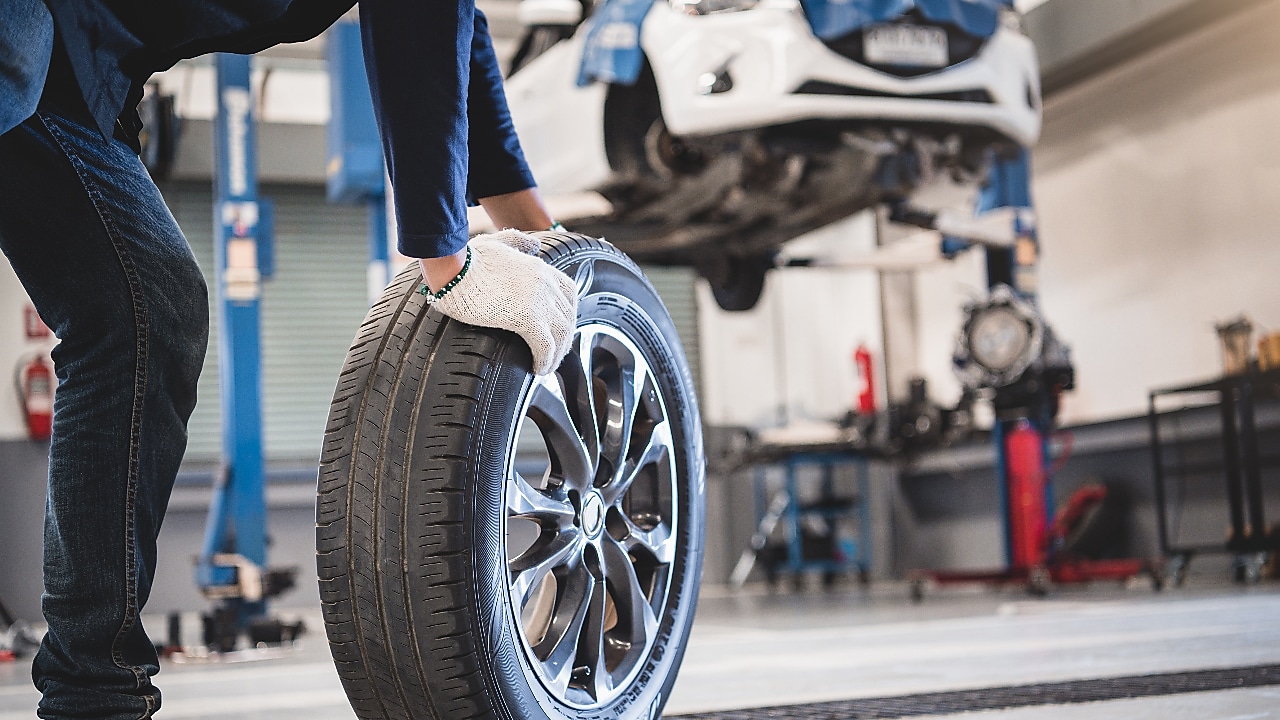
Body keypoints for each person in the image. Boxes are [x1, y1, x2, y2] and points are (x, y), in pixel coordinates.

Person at [0, 1, 578, 718]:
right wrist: (446, 258)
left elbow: (458, 37)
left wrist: (559, 258)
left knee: (144, 313)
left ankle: (93, 698)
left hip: (73, 65)